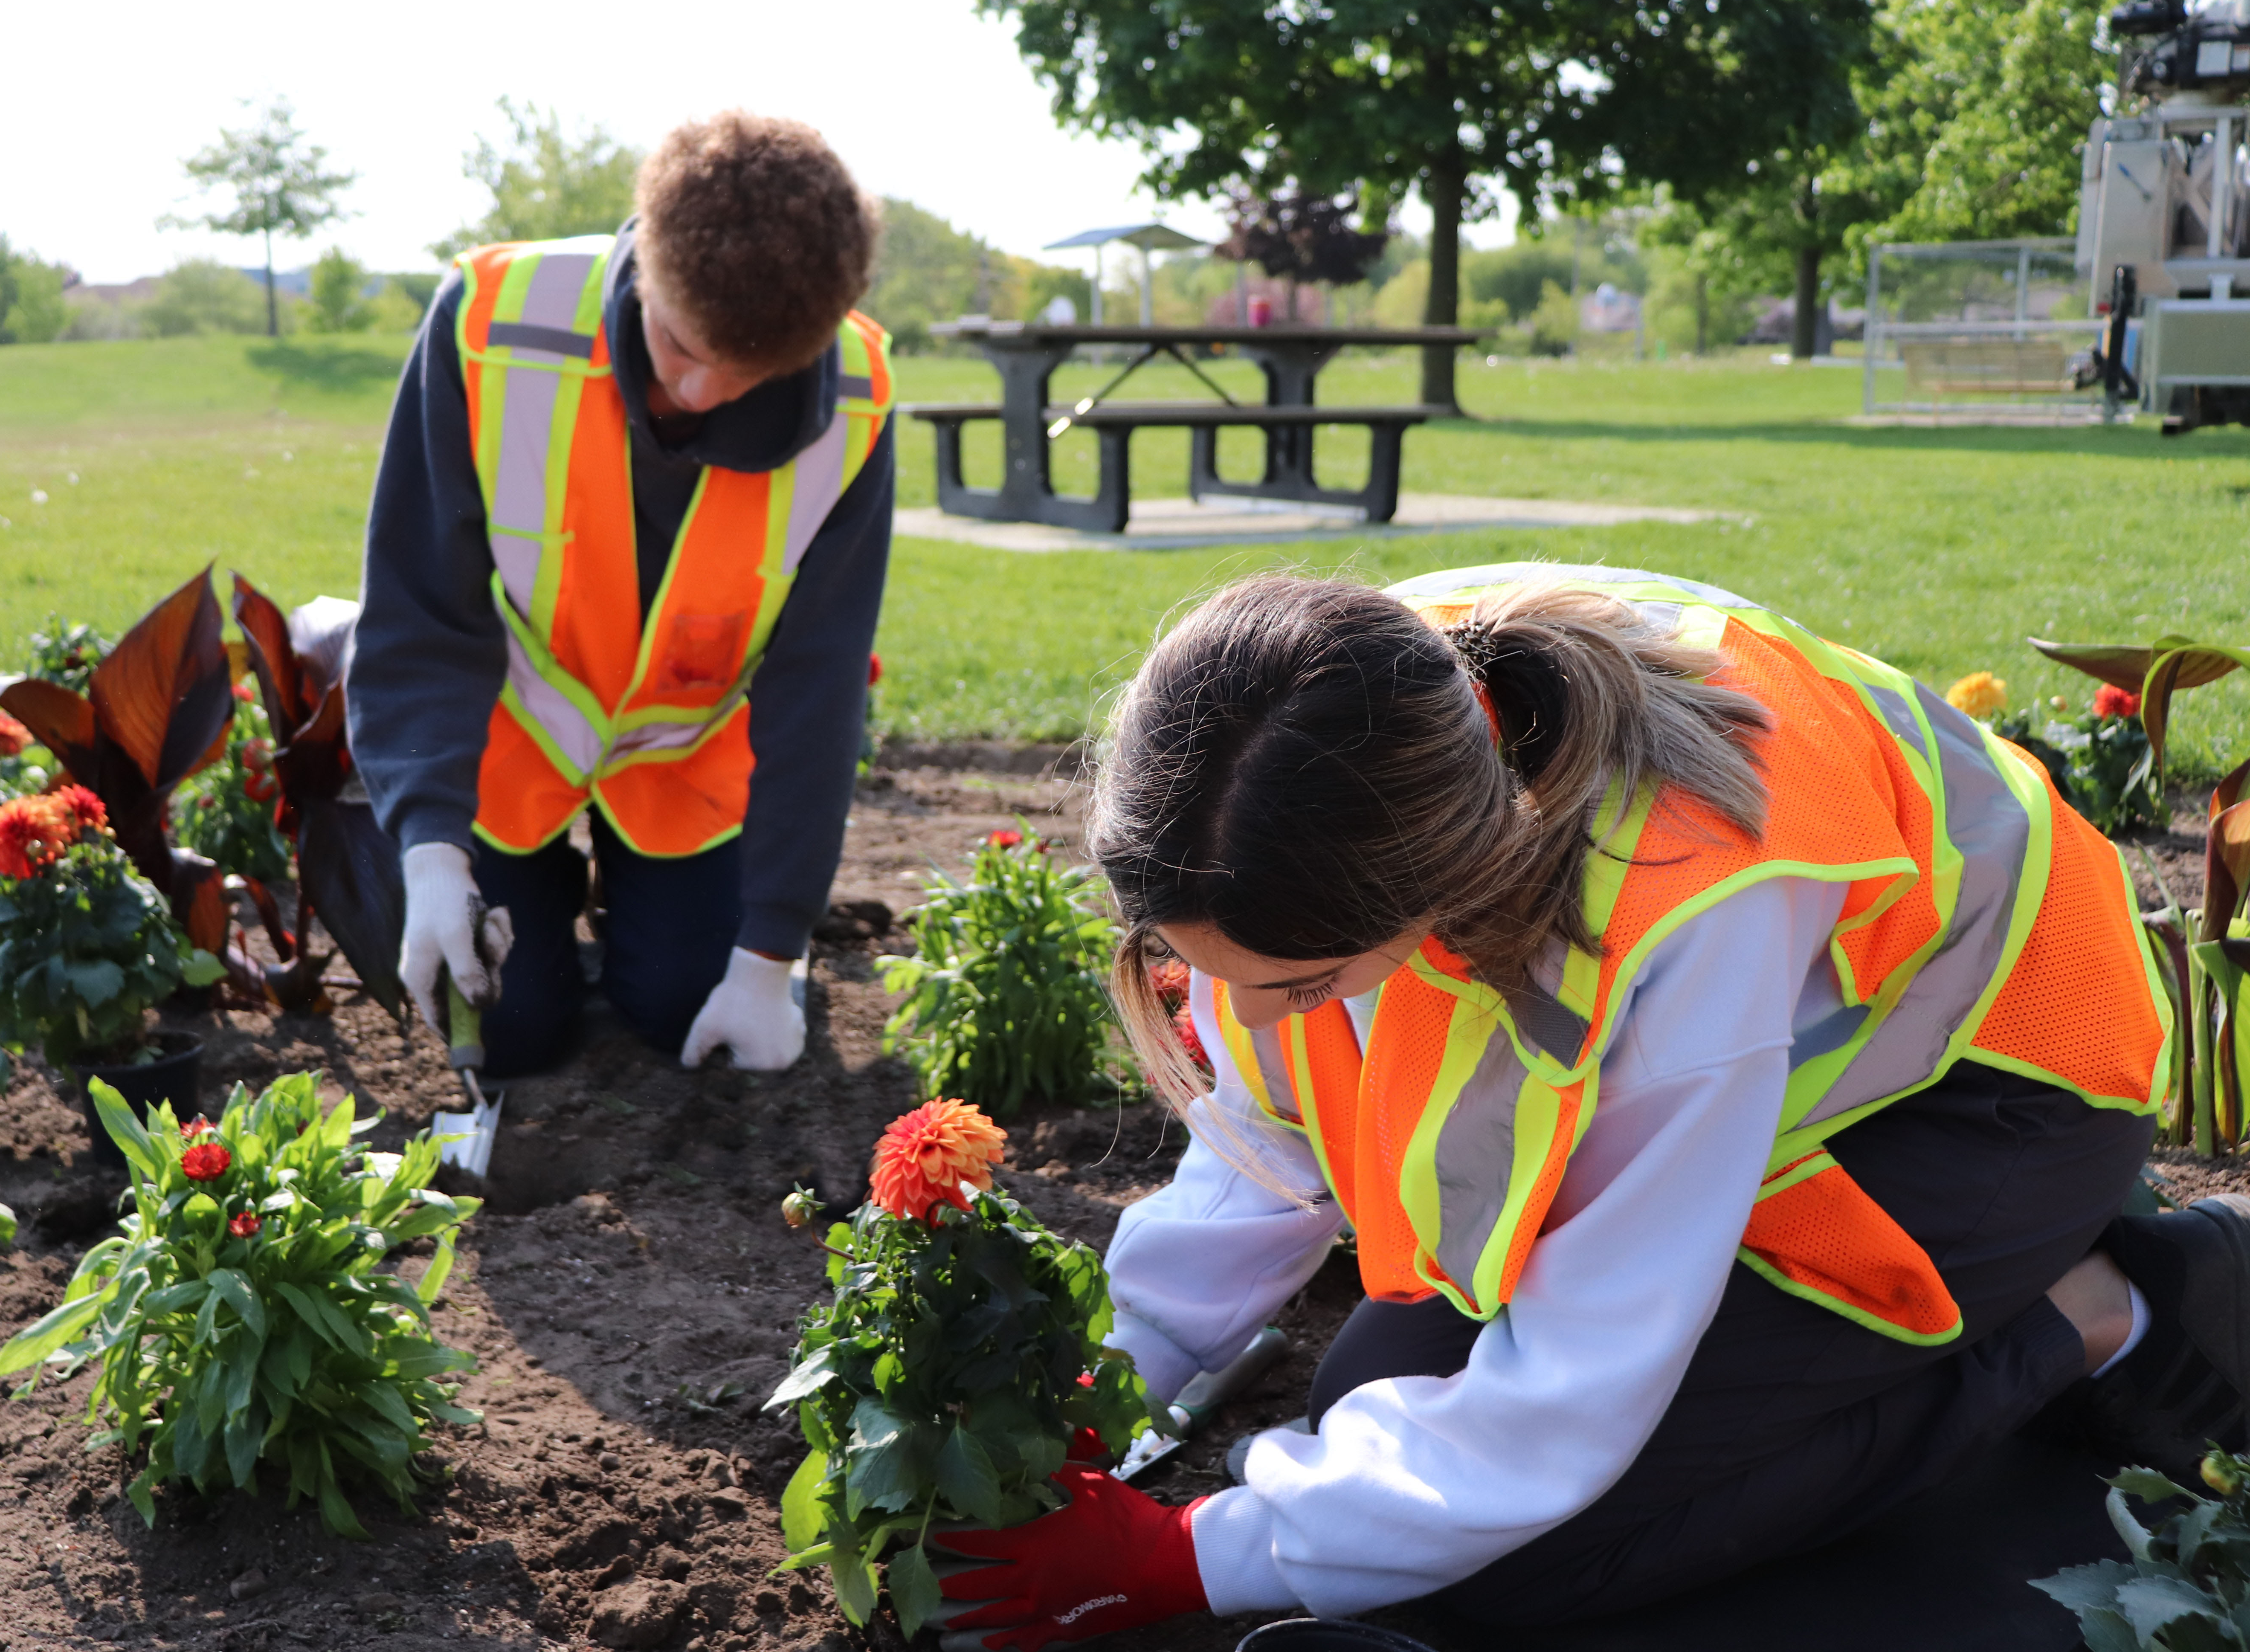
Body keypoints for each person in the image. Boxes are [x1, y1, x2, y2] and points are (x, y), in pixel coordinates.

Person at [931, 563, 2247, 1646]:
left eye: (1301, 984)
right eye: (1206, 976)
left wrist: (1184, 1554)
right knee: (1377, 1401)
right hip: (1776, 1079)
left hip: (1999, 1084)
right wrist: (1085, 1396)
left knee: (1510, 1567)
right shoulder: (1316, 754)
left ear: (1434, 890)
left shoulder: (1678, 899)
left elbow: (1583, 1390)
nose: (1245, 1021)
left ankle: (2101, 1313)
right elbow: (1259, 1165)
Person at [349, 111, 893, 1075]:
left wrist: (773, 950)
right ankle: (538, 888)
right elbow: (420, 606)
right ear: (644, 266)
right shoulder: (487, 323)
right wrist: (431, 847)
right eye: (680, 344)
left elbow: (819, 681)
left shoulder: (854, 399)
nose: (700, 394)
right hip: (512, 733)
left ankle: (639, 905)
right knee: (507, 1029)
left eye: (750, 375)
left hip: (684, 755)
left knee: (690, 1007)